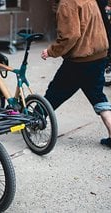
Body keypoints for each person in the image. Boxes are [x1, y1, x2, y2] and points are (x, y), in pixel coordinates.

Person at [41, 0, 111, 148]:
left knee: (55, 92)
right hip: (99, 55)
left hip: (81, 59)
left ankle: (34, 119)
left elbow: (69, 36)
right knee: (97, 95)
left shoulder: (67, 3)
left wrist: (51, 51)